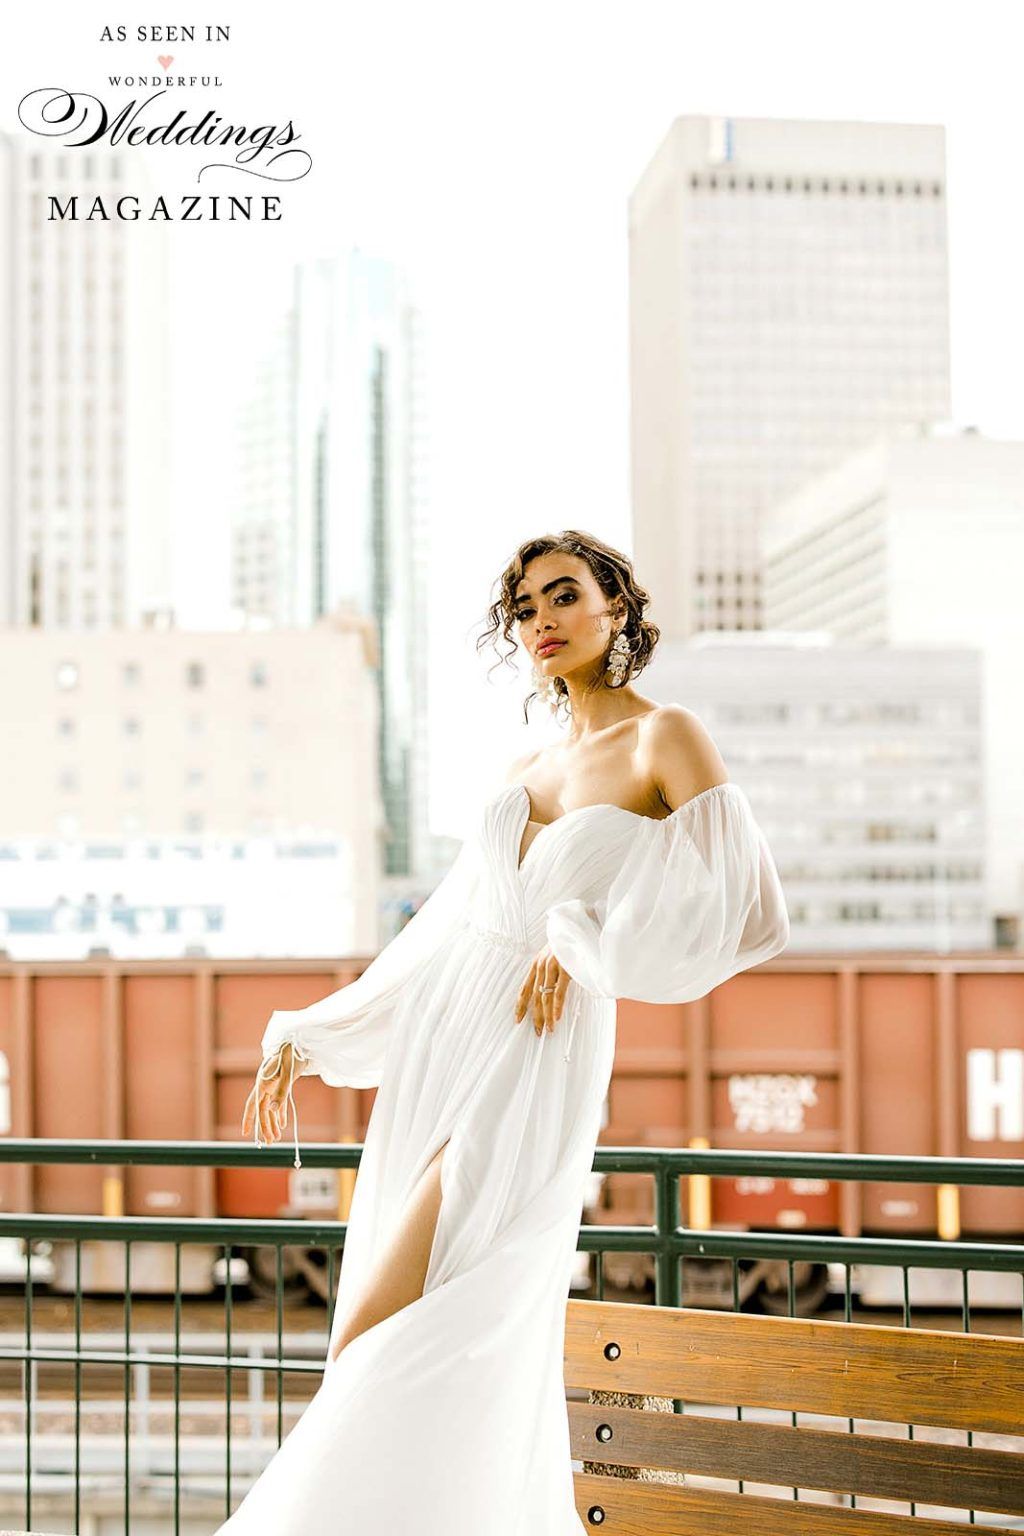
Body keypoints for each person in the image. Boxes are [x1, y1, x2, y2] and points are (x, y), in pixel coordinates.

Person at [220, 530, 790, 1534]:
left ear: (618, 605)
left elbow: (748, 910)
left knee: (396, 1324)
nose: (541, 622)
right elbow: (448, 928)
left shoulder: (668, 737)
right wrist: (316, 1030)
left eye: (564, 596)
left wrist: (584, 941)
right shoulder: (527, 759)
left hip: (539, 1047)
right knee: (375, 1320)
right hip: (448, 1029)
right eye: (524, 608)